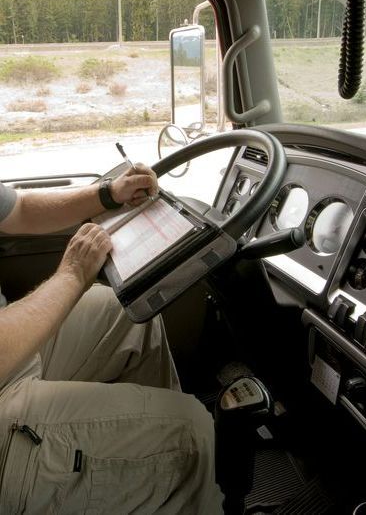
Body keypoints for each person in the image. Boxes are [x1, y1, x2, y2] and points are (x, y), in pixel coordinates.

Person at [0, 166, 222, 513]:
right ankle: (163, 456)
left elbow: (20, 209)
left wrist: (107, 193)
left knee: (126, 310)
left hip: (12, 355)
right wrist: (73, 273)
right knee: (188, 435)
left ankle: (144, 470)